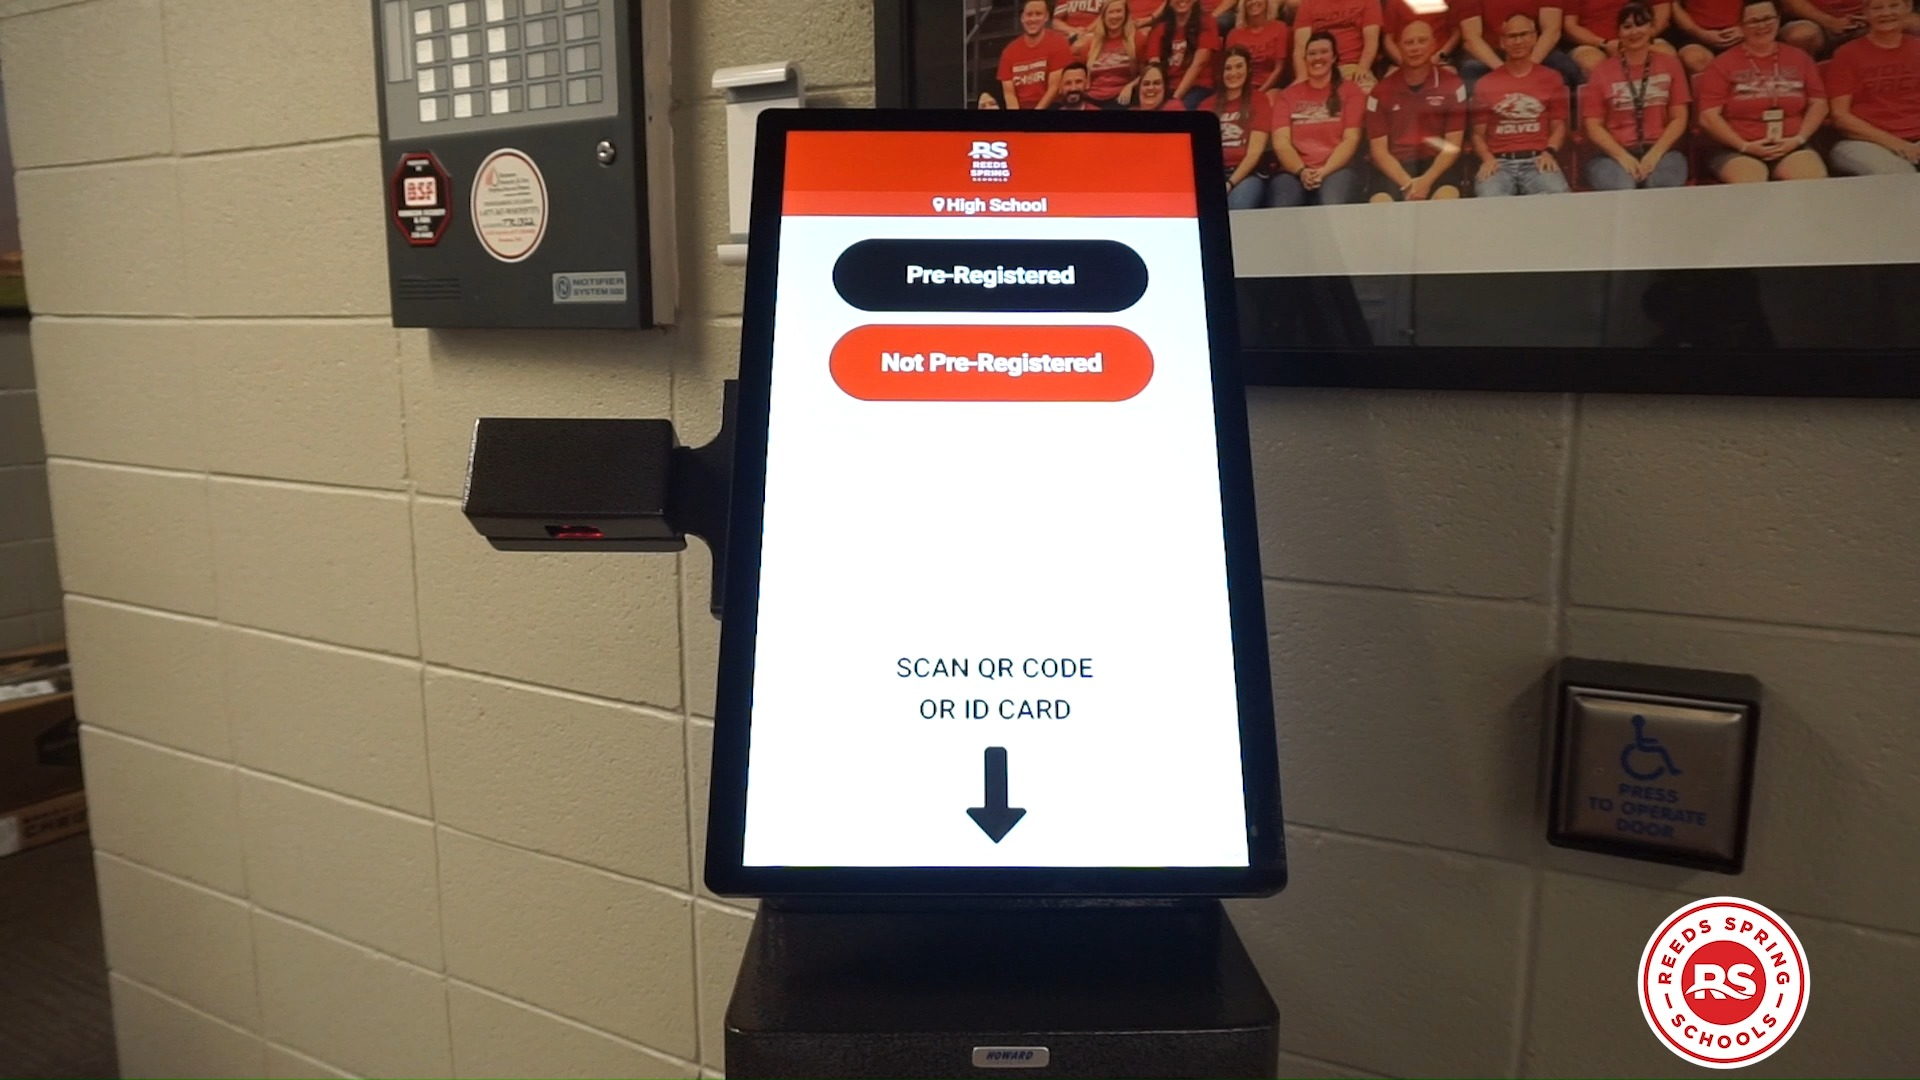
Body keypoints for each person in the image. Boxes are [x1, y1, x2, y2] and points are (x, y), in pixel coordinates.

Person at [1694, 0, 1829, 179]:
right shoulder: (1722, 64)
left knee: (1812, 179)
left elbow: (1819, 104)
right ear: (1741, 26)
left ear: (1778, 19)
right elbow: (1708, 117)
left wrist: (1798, 139)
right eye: (1754, 21)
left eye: (1768, 18)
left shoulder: (1800, 58)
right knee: (1751, 181)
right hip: (1737, 148)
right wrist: (1744, 146)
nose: (1762, 26)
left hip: (1790, 144)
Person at [1579, 0, 1691, 186]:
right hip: (1612, 155)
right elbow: (1593, 125)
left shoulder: (1670, 64)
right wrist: (1622, 157)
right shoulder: (1602, 71)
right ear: (1618, 32)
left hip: (1662, 151)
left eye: (1641, 24)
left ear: (1652, 28)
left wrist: (1655, 154)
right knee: (1623, 186)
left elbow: (1679, 118)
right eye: (1627, 26)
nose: (1634, 32)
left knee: (1662, 186)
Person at [1367, 19, 1470, 198]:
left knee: (1447, 198)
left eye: (1422, 41)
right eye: (1409, 42)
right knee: (1380, 202)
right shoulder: (1380, 91)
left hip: (1437, 164)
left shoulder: (1453, 85)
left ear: (1433, 45)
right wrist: (1408, 184)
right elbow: (1379, 151)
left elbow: (1453, 144)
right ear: (1399, 47)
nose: (1415, 48)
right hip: (1396, 166)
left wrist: (1426, 181)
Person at [1471, 12, 1572, 192]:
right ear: (1502, 42)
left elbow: (1559, 126)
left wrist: (1549, 152)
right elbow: (1478, 134)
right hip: (1499, 161)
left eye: (1524, 34)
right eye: (1512, 36)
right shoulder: (1485, 84)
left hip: (1538, 159)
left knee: (1558, 195)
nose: (1518, 41)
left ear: (1534, 38)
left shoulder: (1552, 78)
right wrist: (1487, 158)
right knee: (1489, 198)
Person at [1270, 31, 1371, 202]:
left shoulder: (1351, 91)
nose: (1317, 57)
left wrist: (1323, 172)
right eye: (1312, 53)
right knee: (1283, 202)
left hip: (1337, 169)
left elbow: (1351, 139)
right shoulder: (1287, 95)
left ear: (1334, 57)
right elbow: (1281, 142)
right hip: (1294, 171)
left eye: (1324, 52)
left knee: (1331, 202)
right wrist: (1301, 171)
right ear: (1305, 59)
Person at [1826, 0, 1920, 172]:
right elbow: (1841, 116)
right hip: (1866, 141)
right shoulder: (1847, 54)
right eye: (1877, 8)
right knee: (1900, 176)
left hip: (1916, 136)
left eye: (1894, 6)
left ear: (1908, 8)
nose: (1886, 13)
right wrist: (1898, 144)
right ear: (1865, 12)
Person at [1206, 46, 1278, 205]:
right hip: (1214, 174)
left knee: (1236, 207)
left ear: (1248, 69)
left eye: (1239, 66)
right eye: (1228, 68)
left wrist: (1229, 183)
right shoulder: (1206, 105)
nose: (1233, 73)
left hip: (1247, 175)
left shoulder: (1259, 100)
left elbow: (1254, 153)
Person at [1458, 0, 1586, 85]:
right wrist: (1505, 71)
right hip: (1491, 53)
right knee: (1470, 72)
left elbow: (1552, 30)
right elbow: (1472, 38)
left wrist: (1528, 69)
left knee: (1567, 69)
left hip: (1535, 50)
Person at [1146, 0, 1224, 108]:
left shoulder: (1207, 22)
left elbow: (1199, 64)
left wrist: (1175, 98)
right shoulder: (1159, 29)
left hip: (1198, 87)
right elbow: (1154, 66)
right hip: (1167, 87)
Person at [1000, 0, 1075, 109]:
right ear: (1022, 18)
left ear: (1046, 17)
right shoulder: (1009, 51)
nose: (1033, 19)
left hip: (1053, 106)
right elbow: (1009, 94)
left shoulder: (1059, 42)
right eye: (1029, 14)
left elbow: (1054, 88)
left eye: (1038, 14)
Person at [1292, 0, 1384, 84]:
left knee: (1367, 93)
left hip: (1353, 66)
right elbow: (1300, 48)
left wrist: (1363, 69)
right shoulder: (1308, 3)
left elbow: (1371, 43)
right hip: (1317, 68)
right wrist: (1302, 77)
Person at [1564, 0, 1675, 70]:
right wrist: (1604, 43)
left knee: (1666, 55)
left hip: (1639, 35)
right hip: (1594, 44)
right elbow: (1570, 26)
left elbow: (1662, 9)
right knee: (1592, 63)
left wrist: (1644, 36)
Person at [1083, 0, 1141, 106]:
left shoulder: (1137, 39)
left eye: (1118, 11)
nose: (1115, 16)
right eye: (1111, 12)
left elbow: (1148, 72)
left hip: (1122, 97)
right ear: (1103, 16)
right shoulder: (1090, 43)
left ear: (1126, 14)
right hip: (1092, 96)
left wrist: (1131, 86)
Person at [1226, 0, 1292, 93]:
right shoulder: (1234, 35)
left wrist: (1259, 92)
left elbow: (1279, 68)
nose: (1254, 1)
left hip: (1270, 88)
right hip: (1241, 89)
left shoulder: (1279, 28)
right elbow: (1230, 69)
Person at [1384, 0, 1463, 67]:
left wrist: (1439, 56)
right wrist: (1402, 62)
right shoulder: (1395, 2)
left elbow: (1456, 33)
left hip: (1440, 62)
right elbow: (1388, 38)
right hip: (1403, 64)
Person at [1673, 0, 1747, 71]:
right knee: (1694, 58)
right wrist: (1700, 33)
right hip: (1695, 33)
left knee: (1741, 60)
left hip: (1740, 32)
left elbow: (1753, 5)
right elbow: (1674, 5)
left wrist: (1743, 28)